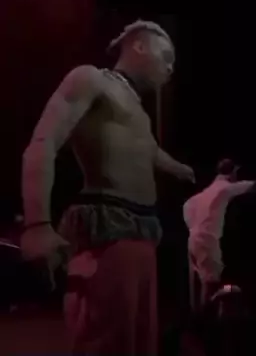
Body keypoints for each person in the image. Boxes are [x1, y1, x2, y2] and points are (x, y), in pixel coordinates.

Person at [20, 20, 195, 355]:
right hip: (108, 231)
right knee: (107, 342)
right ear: (139, 46)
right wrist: (37, 224)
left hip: (143, 234)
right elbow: (43, 143)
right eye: (166, 56)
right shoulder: (90, 79)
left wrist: (179, 168)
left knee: (140, 341)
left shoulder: (138, 111)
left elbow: (149, 151)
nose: (171, 68)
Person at [183, 159, 254, 310]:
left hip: (193, 241)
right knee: (211, 285)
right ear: (232, 173)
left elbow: (187, 205)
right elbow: (246, 186)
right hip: (208, 241)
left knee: (197, 285)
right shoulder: (224, 189)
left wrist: (194, 227)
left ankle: (196, 317)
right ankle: (205, 319)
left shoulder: (204, 194)